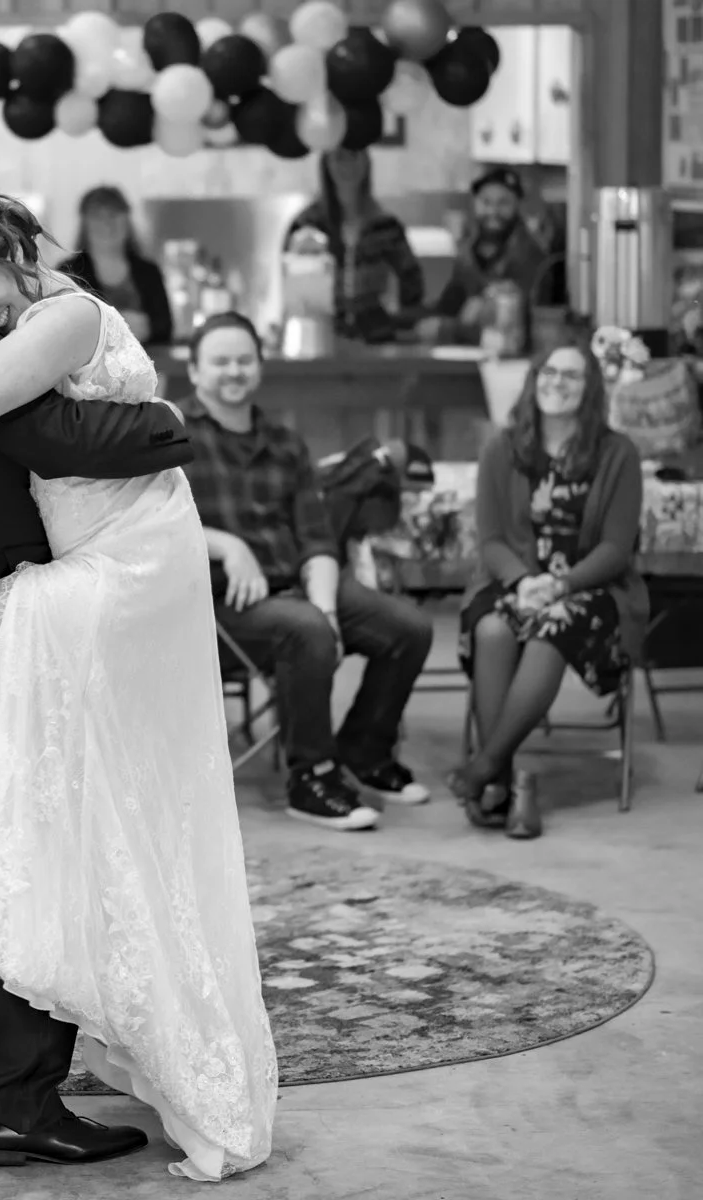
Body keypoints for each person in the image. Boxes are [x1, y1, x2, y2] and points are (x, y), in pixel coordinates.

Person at [0, 183, 277, 1182]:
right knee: (44, 818)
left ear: (9, 251)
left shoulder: (32, 313)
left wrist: (169, 430)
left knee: (47, 821)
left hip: (109, 565)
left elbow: (49, 429)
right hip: (49, 564)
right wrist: (169, 430)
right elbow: (46, 434)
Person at [180, 312, 434, 829]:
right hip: (219, 602)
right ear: (194, 370)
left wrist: (325, 607)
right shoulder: (170, 435)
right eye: (220, 361)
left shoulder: (285, 443)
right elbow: (147, 529)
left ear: (260, 367)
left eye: (244, 360)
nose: (234, 371)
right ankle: (311, 778)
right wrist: (226, 544)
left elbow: (316, 539)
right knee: (306, 631)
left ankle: (364, 751)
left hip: (297, 587)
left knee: (407, 628)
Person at [449, 344, 645, 836]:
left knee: (551, 627)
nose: (558, 383)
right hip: (513, 579)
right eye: (549, 373)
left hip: (593, 589)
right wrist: (524, 581)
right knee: (493, 628)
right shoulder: (502, 446)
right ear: (534, 380)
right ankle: (512, 781)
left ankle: (484, 768)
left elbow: (617, 547)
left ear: (591, 388)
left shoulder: (617, 452)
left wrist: (561, 583)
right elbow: (490, 538)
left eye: (572, 376)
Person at [284, 148, 424, 342]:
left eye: (354, 155)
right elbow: (292, 293)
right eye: (340, 157)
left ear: (366, 161)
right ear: (327, 163)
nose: (347, 166)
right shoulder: (307, 226)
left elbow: (413, 287)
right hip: (319, 339)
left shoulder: (386, 227)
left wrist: (398, 322)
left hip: (377, 340)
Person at [417, 167, 562, 346]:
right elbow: (449, 305)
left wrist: (449, 329)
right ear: (475, 204)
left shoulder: (532, 257)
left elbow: (517, 331)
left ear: (517, 205)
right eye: (486, 202)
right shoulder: (468, 253)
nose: (493, 212)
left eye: (503, 203)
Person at [57, 185, 172, 347]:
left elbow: (165, 328)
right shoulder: (68, 272)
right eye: (97, 216)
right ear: (85, 223)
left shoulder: (149, 271)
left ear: (127, 219)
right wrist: (116, 325)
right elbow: (61, 330)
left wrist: (150, 329)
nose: (107, 223)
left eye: (113, 215)